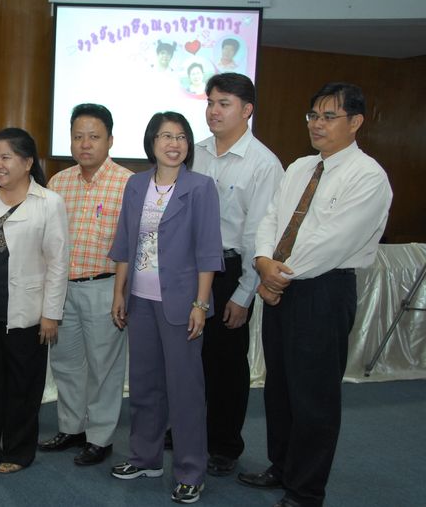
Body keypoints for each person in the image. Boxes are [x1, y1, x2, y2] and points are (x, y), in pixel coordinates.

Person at [239, 83, 392, 507]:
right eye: (313, 116)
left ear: (355, 122)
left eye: (328, 117)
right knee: (280, 387)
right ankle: (282, 466)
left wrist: (275, 277)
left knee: (314, 395)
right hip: (282, 283)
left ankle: (305, 490)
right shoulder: (300, 167)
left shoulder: (368, 176)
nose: (317, 124)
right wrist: (264, 261)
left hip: (323, 290)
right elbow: (272, 219)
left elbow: (333, 242)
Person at [108, 112, 223, 504]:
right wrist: (119, 292)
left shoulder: (201, 188)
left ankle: (191, 471)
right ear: (152, 142)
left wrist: (200, 303)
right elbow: (125, 243)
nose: (174, 144)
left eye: (181, 137)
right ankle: (145, 457)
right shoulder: (136, 185)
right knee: (144, 385)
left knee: (185, 390)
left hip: (181, 303)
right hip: (140, 300)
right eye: (166, 136)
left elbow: (208, 251)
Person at [0, 128, 69, 474]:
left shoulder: (49, 202)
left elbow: (58, 262)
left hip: (28, 310)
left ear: (27, 162)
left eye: (6, 157)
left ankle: (19, 450)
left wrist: (51, 314)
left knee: (24, 384)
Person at [193, 73, 283, 476]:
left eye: (224, 103)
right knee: (188, 356)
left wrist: (244, 294)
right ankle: (189, 429)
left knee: (226, 363)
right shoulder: (194, 152)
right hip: (190, 268)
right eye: (210, 102)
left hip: (231, 270)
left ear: (247, 110)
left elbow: (258, 236)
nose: (214, 111)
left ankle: (224, 445)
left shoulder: (264, 164)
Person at [39, 104, 131, 466]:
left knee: (104, 366)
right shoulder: (58, 183)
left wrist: (121, 293)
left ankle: (100, 437)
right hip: (62, 288)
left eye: (94, 136)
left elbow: (132, 245)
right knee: (66, 363)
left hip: (104, 287)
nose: (85, 144)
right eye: (78, 136)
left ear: (110, 140)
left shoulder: (128, 183)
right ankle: (71, 427)